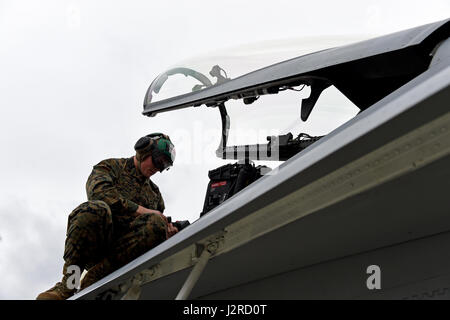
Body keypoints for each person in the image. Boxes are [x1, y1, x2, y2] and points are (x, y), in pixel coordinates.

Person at [36, 133, 178, 300]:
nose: (158, 168)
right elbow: (99, 194)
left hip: (123, 256)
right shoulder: (110, 167)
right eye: (157, 160)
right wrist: (143, 210)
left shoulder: (155, 195)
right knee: (94, 209)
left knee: (157, 224)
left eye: (164, 165)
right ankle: (69, 285)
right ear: (143, 151)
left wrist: (168, 233)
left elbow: (154, 226)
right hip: (98, 242)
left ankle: (96, 277)